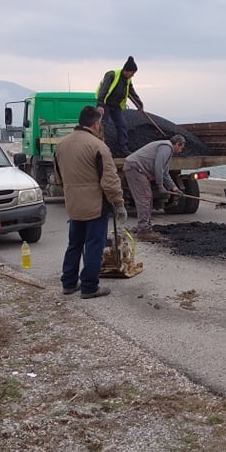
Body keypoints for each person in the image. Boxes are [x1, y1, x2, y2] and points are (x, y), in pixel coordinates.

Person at [54, 105, 127, 299]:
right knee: (94, 245)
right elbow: (109, 181)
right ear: (96, 124)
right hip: (95, 205)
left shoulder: (61, 145)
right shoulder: (98, 146)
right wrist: (119, 204)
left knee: (74, 244)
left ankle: (68, 283)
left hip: (73, 204)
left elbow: (58, 176)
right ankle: (89, 287)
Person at [122, 135, 186, 242]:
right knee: (144, 198)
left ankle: (146, 227)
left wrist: (174, 188)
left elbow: (165, 173)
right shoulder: (166, 147)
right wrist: (160, 186)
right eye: (181, 148)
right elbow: (158, 166)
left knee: (147, 198)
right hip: (135, 168)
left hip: (137, 169)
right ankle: (143, 231)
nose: (181, 150)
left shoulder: (167, 151)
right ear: (177, 144)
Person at [96, 55, 145, 156]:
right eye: (132, 73)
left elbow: (131, 92)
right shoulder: (112, 75)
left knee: (122, 125)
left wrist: (139, 104)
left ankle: (122, 148)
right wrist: (100, 104)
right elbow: (103, 90)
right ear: (126, 71)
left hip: (116, 106)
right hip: (105, 104)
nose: (133, 75)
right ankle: (102, 149)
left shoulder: (128, 80)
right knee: (103, 126)